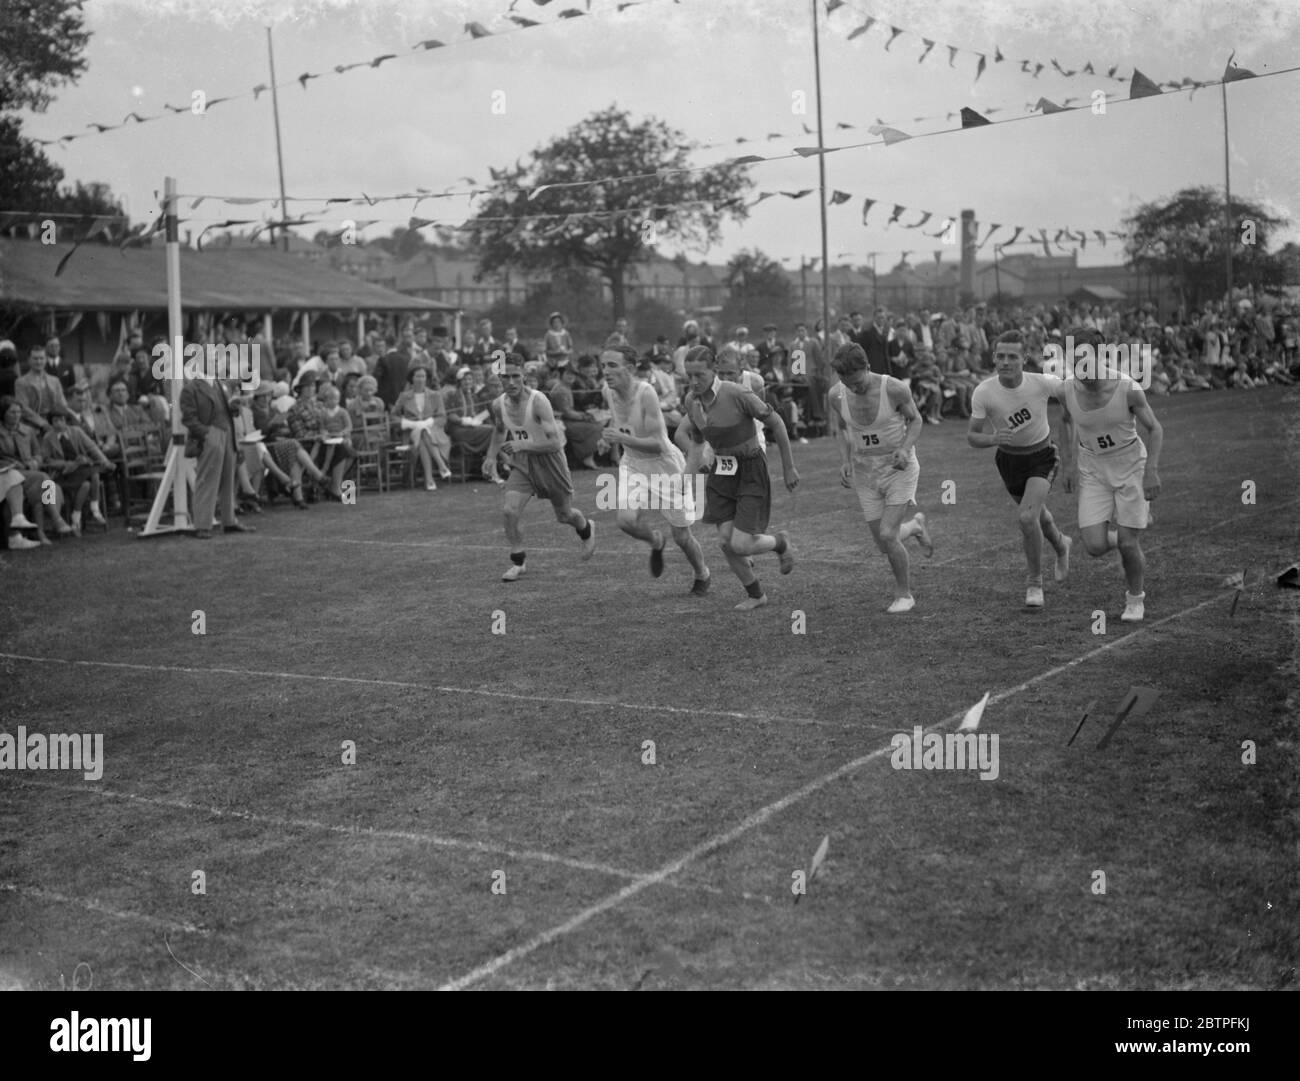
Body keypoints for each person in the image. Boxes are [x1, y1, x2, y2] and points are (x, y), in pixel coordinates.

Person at [676, 345, 798, 610]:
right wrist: (692, 472)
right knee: (724, 542)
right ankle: (756, 595)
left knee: (741, 544)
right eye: (690, 376)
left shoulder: (737, 393)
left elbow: (776, 423)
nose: (694, 382)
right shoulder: (691, 401)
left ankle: (780, 542)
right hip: (721, 472)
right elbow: (697, 441)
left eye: (700, 375)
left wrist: (788, 467)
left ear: (714, 371)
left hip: (750, 468)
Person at [1058, 328, 1163, 622]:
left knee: (1129, 543)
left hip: (1131, 467)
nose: (1080, 367)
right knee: (1093, 546)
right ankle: (1135, 527)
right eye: (1073, 360)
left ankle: (1135, 599)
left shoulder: (1127, 388)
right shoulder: (1067, 389)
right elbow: (1064, 421)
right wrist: (1068, 463)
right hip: (1093, 469)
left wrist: (1151, 472)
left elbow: (1155, 429)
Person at [967, 330, 1072, 608]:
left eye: (1012, 356)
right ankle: (1062, 544)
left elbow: (1071, 394)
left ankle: (1034, 583)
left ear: (1024, 358)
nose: (1005, 362)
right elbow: (972, 436)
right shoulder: (984, 391)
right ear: (993, 358)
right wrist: (992, 439)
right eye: (1000, 356)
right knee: (1040, 518)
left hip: (1042, 456)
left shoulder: (1041, 383)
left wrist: (1068, 414)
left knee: (1027, 518)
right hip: (1009, 461)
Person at [827, 344, 934, 613]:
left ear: (868, 368)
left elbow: (917, 420)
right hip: (865, 472)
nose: (855, 389)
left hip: (898, 468)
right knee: (884, 544)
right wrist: (845, 460)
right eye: (847, 384)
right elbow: (840, 429)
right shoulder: (836, 395)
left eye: (858, 382)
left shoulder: (894, 388)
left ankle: (904, 595)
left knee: (887, 534)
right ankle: (916, 526)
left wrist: (904, 448)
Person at [599, 345, 710, 591]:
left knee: (682, 536)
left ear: (629, 369)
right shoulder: (609, 390)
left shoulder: (646, 393)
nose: (605, 371)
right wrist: (606, 436)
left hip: (664, 466)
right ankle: (655, 541)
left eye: (612, 366)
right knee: (626, 520)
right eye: (604, 365)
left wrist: (620, 437)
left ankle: (702, 573)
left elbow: (658, 445)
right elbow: (619, 421)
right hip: (633, 463)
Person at [483, 354, 596, 580]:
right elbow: (498, 431)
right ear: (500, 379)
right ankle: (518, 561)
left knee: (564, 515)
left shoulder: (539, 401)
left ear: (524, 376)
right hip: (523, 463)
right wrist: (490, 457)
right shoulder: (498, 404)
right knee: (509, 510)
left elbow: (555, 442)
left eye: (516, 376)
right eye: (506, 377)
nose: (512, 382)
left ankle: (586, 528)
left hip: (550, 461)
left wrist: (522, 444)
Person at [180, 375, 255, 539]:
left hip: (228, 433)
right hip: (211, 435)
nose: (214, 361)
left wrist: (235, 407)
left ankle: (229, 521)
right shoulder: (191, 388)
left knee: (228, 480)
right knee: (207, 480)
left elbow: (229, 412)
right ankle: (202, 525)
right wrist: (207, 434)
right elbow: (188, 418)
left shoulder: (221, 384)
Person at [0, 395, 72, 544]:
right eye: (12, 412)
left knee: (47, 486)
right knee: (44, 479)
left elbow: (38, 454)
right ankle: (56, 519)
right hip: (8, 473)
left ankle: (40, 532)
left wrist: (34, 461)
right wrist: (11, 464)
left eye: (19, 412)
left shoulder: (28, 431)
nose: (16, 415)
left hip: (28, 472)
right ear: (3, 413)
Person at [39, 410, 114, 533]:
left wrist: (104, 461)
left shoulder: (76, 432)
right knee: (94, 472)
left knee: (87, 483)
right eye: (55, 421)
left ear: (67, 421)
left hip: (81, 471)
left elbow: (92, 448)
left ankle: (77, 517)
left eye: (62, 420)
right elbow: (47, 460)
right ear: (51, 423)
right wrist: (66, 464)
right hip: (63, 474)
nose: (59, 424)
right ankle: (94, 509)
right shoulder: (48, 438)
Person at [393, 366, 453, 490]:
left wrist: (429, 422)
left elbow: (442, 417)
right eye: (418, 376)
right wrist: (410, 423)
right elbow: (393, 416)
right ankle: (441, 466)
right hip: (411, 433)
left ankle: (429, 479)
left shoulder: (435, 395)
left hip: (434, 432)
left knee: (423, 434)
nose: (421, 379)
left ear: (427, 378)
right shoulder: (404, 396)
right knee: (421, 432)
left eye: (423, 376)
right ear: (412, 378)